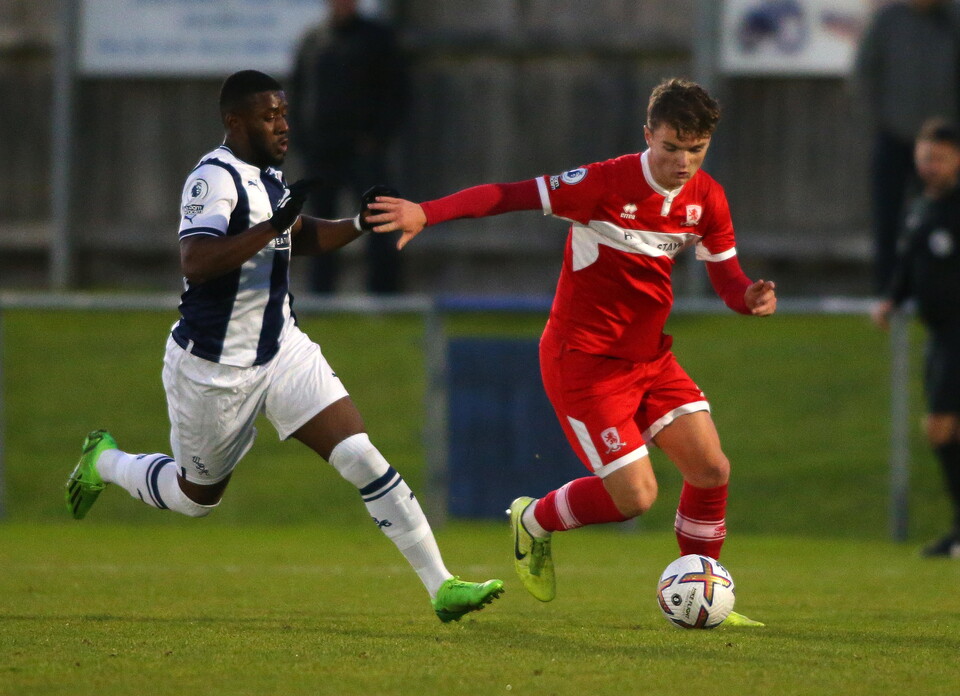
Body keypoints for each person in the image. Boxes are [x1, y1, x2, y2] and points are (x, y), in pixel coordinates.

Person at [64, 70, 503, 622]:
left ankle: (443, 587)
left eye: (284, 113)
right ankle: (105, 461)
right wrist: (273, 226)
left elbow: (295, 234)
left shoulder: (268, 174)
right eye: (269, 115)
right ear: (234, 120)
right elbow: (197, 262)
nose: (283, 124)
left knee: (359, 454)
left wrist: (359, 225)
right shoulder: (214, 177)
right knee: (195, 498)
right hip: (214, 369)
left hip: (281, 348)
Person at [368, 78, 777, 626]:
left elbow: (727, 278)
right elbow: (506, 194)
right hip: (583, 362)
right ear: (648, 135)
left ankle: (703, 597)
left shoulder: (707, 198)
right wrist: (428, 213)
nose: (683, 162)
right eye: (671, 148)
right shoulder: (602, 183)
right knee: (635, 497)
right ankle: (533, 520)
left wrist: (749, 297)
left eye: (695, 150)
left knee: (710, 469)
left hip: (650, 360)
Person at [873, 118, 960, 558]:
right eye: (926, 157)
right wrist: (891, 299)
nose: (931, 166)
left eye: (939, 159)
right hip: (940, 333)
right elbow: (909, 262)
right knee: (944, 431)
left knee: (941, 427)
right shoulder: (919, 205)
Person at [289, 0, 407, 294]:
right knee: (318, 227)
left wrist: (377, 138)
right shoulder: (313, 39)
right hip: (321, 151)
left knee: (378, 221)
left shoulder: (377, 38)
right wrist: (301, 141)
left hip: (362, 150)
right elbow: (298, 90)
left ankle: (384, 296)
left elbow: (397, 93)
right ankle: (322, 296)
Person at [852, 0, 960, 294]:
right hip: (895, 139)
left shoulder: (953, 19)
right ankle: (887, 293)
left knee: (945, 217)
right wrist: (879, 122)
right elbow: (864, 73)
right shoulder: (887, 20)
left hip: (945, 144)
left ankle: (941, 290)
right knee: (888, 219)